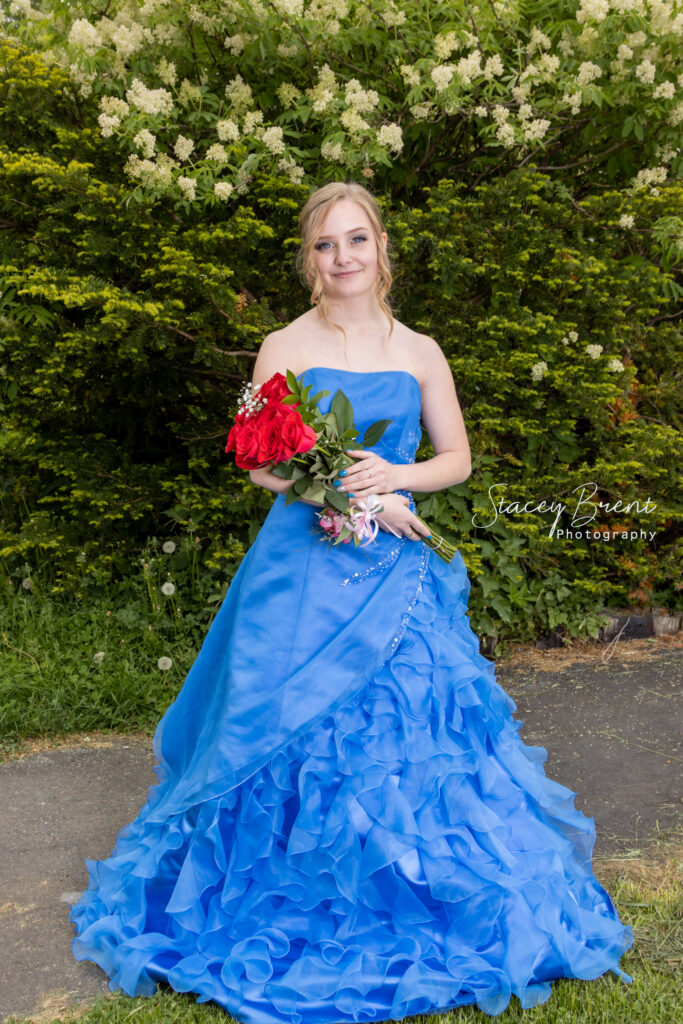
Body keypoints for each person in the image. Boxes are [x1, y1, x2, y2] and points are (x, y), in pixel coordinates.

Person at [70, 181, 633, 1022]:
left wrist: (394, 478)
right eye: (326, 245)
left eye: (356, 240)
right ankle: (287, 897)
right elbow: (260, 464)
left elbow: (457, 460)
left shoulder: (421, 350)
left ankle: (414, 890)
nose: (343, 258)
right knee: (279, 727)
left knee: (411, 733)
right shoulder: (282, 345)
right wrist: (343, 494)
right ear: (310, 259)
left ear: (380, 249)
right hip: (300, 571)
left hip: (396, 572)